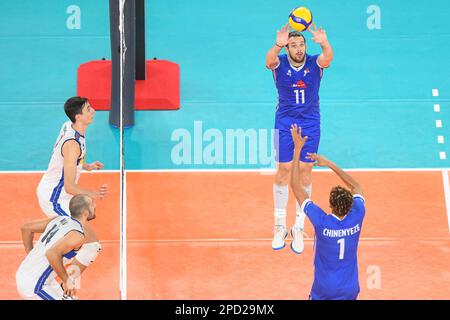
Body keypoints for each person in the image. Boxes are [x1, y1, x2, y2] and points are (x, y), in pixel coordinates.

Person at [266, 22, 334, 253]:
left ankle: (297, 226)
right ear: (287, 49)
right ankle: (279, 226)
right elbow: (268, 60)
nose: (298, 48)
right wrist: (278, 44)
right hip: (284, 123)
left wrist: (324, 42)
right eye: (293, 45)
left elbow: (328, 58)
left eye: (301, 44)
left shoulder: (315, 63)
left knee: (305, 171)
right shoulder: (280, 63)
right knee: (283, 170)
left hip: (310, 124)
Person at [289, 124, 366, 300]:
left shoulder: (322, 222)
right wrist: (329, 163)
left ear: (330, 206)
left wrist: (297, 149)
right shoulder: (357, 215)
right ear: (350, 205)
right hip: (349, 289)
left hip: (324, 290)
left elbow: (295, 186)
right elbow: (357, 187)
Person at [36, 96, 106, 275]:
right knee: (91, 246)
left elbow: (69, 160)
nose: (93, 111)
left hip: (59, 193)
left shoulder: (70, 127)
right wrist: (93, 194)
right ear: (78, 116)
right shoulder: (72, 144)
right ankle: (66, 285)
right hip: (55, 198)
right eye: (88, 109)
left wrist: (86, 166)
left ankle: (53, 242)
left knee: (81, 238)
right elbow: (69, 187)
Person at [16, 195, 96, 300]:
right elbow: (52, 254)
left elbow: (26, 228)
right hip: (36, 285)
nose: (95, 206)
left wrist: (31, 255)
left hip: (27, 273)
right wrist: (66, 280)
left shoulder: (60, 219)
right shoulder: (77, 235)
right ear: (85, 213)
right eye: (92, 204)